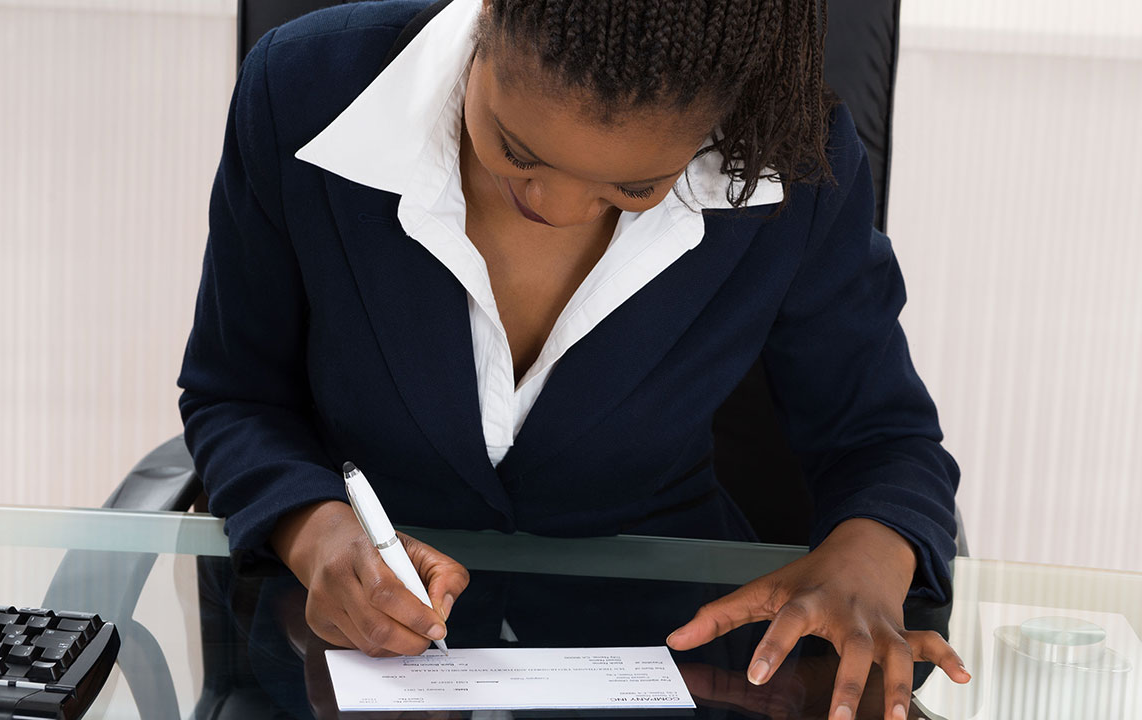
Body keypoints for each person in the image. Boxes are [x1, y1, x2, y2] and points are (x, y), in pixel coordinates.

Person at [177, 1, 972, 718]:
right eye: (516, 150)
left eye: (633, 188)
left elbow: (883, 441)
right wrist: (317, 536)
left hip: (670, 665)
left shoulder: (791, 166)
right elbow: (236, 396)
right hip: (342, 657)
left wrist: (871, 553)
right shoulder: (302, 91)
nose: (554, 210)